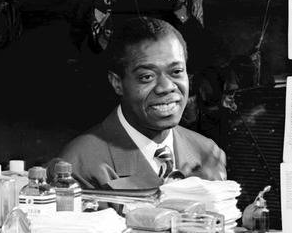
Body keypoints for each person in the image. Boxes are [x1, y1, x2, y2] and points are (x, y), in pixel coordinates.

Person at [55, 16, 227, 190]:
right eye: (147, 77)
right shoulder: (77, 165)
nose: (166, 87)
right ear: (117, 83)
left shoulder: (207, 151)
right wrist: (191, 195)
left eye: (176, 71)